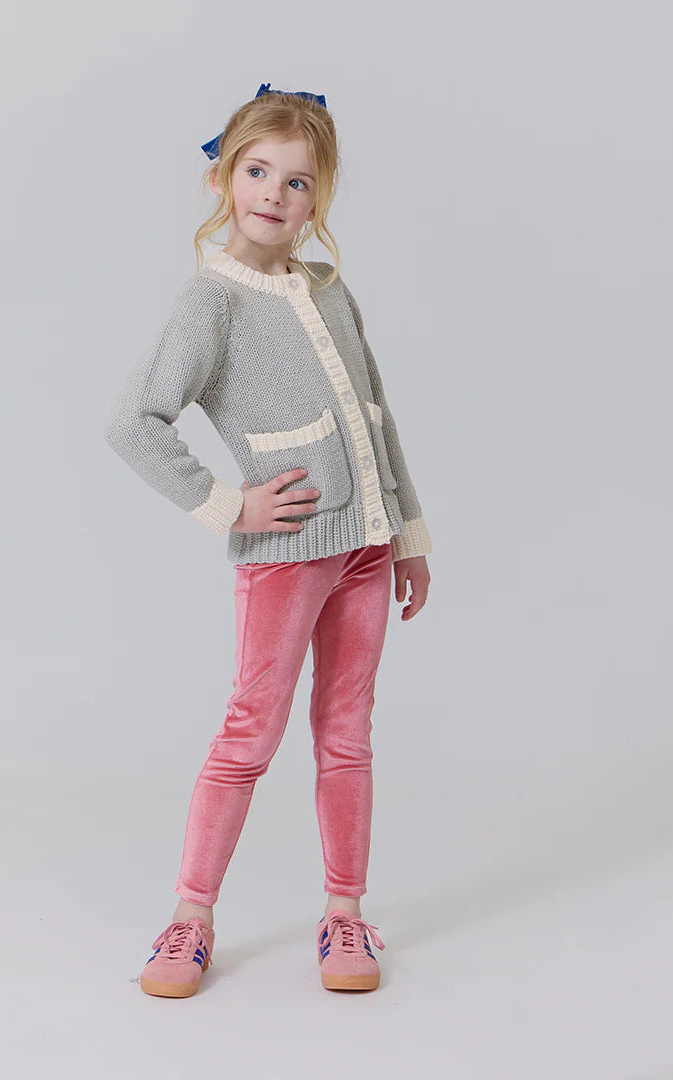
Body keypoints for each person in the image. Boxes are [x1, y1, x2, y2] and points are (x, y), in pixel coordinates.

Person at [103, 83, 432, 997]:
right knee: (250, 732)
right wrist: (225, 505)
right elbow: (133, 421)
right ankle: (190, 918)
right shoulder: (210, 301)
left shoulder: (329, 289)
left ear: (318, 196)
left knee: (347, 732)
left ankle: (344, 912)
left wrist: (407, 530)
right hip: (288, 557)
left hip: (367, 548)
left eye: (297, 181)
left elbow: (376, 416)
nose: (274, 195)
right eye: (257, 171)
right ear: (222, 178)